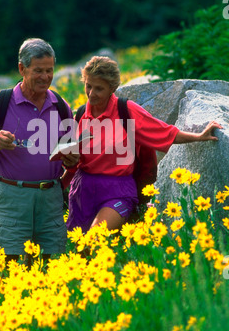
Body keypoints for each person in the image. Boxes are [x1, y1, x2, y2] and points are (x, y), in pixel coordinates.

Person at [62, 55, 223, 234]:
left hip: (118, 190)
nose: (91, 93)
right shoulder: (81, 114)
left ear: (112, 88)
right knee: (81, 251)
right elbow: (73, 161)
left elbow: (163, 131)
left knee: (95, 237)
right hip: (83, 191)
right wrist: (65, 169)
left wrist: (199, 136)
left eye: (99, 88)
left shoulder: (126, 111)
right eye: (88, 86)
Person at [0, 38, 78, 265]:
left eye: (49, 70)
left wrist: (72, 158)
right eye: (38, 70)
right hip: (11, 199)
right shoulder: (1, 102)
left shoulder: (60, 105)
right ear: (22, 68)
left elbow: (72, 154)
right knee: (7, 267)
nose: (45, 77)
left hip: (51, 199)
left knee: (54, 267)